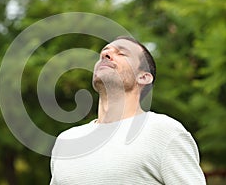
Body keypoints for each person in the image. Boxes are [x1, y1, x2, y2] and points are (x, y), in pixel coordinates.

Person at [49, 36, 206, 185]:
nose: (105, 54)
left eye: (122, 53)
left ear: (143, 77)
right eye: (104, 52)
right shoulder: (66, 141)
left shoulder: (164, 131)